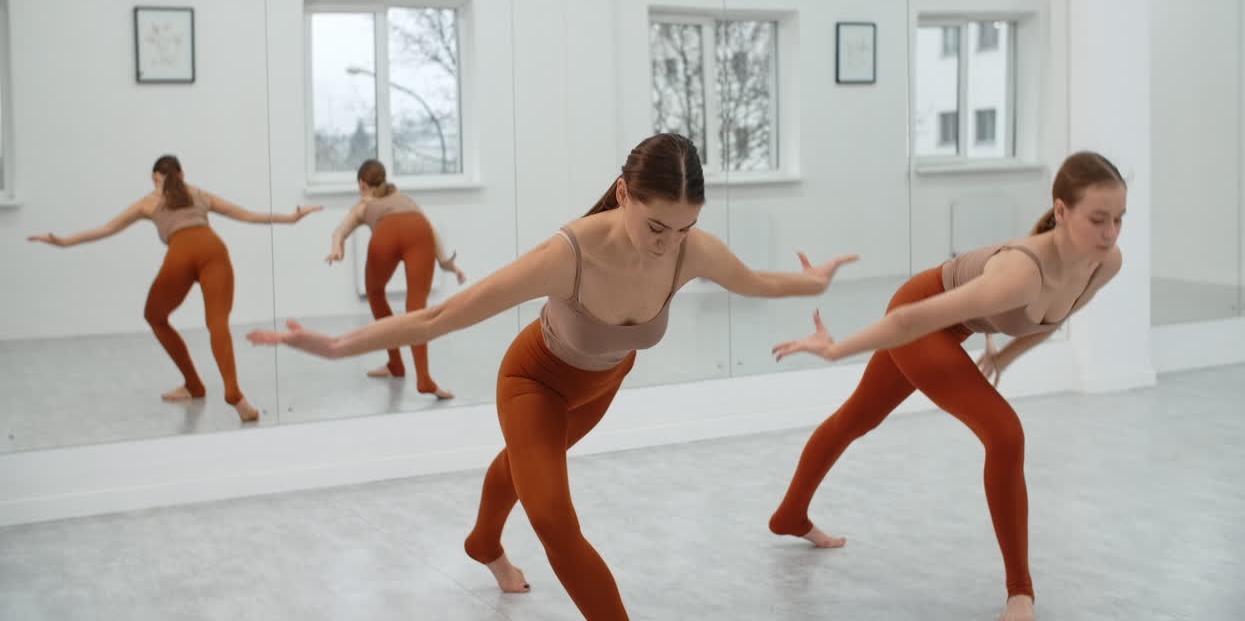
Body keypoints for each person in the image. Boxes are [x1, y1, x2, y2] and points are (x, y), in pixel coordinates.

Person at [248, 133, 859, 620]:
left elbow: (757, 282)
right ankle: (499, 550)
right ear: (623, 194)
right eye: (656, 227)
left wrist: (814, 283)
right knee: (553, 522)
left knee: (522, 463)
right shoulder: (571, 254)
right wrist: (335, 345)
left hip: (600, 387)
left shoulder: (690, 248)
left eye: (683, 229)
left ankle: (482, 543)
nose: (667, 245)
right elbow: (440, 315)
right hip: (535, 381)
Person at [768, 151, 1127, 621]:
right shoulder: (1020, 273)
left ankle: (790, 515)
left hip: (952, 327)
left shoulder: (1104, 264)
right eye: (1098, 219)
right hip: (920, 316)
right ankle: (1020, 592)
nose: (1110, 233)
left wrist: (1003, 356)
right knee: (1005, 434)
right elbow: (910, 320)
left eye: (1119, 219)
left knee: (858, 417)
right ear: (1060, 210)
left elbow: (1055, 317)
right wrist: (836, 349)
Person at [28, 155, 321, 422]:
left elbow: (106, 229)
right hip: (213, 249)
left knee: (155, 316)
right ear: (182, 174)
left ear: (156, 177)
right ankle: (235, 395)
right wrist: (290, 219)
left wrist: (63, 242)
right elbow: (247, 215)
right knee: (218, 323)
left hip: (180, 254)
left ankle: (194, 384)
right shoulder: (199, 194)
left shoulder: (148, 202)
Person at [326, 159, 465, 398]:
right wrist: (445, 262)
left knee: (375, 293)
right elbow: (430, 229)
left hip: (387, 234)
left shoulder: (362, 205)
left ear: (362, 184)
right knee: (417, 309)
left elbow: (339, 232)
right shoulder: (406, 200)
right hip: (419, 230)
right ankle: (424, 378)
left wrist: (337, 250)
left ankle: (396, 363)